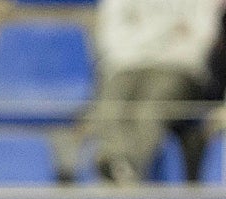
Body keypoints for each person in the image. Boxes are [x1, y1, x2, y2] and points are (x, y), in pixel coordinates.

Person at [93, 0, 222, 183]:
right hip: (126, 65)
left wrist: (143, 36)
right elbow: (110, 37)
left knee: (149, 110)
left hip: (179, 69)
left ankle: (124, 168)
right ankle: (118, 166)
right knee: (110, 107)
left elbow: (202, 38)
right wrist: (166, 35)